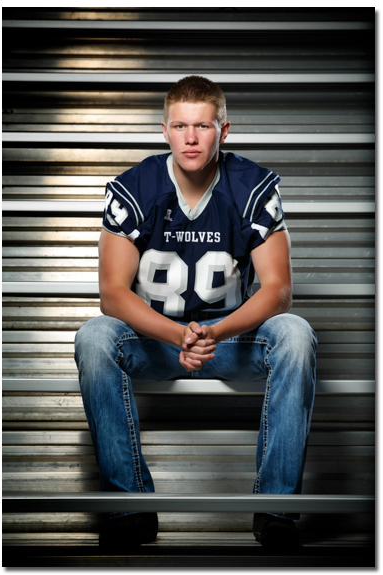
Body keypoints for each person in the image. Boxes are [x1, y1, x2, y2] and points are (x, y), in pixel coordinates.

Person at [74, 75, 317, 552]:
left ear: (223, 131)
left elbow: (278, 290)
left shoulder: (251, 186)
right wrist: (175, 335)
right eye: (181, 126)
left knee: (295, 331)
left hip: (230, 339)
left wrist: (214, 332)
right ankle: (131, 506)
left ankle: (276, 509)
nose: (191, 138)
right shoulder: (134, 187)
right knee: (95, 335)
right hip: (156, 341)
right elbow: (112, 295)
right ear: (164, 129)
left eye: (203, 126)